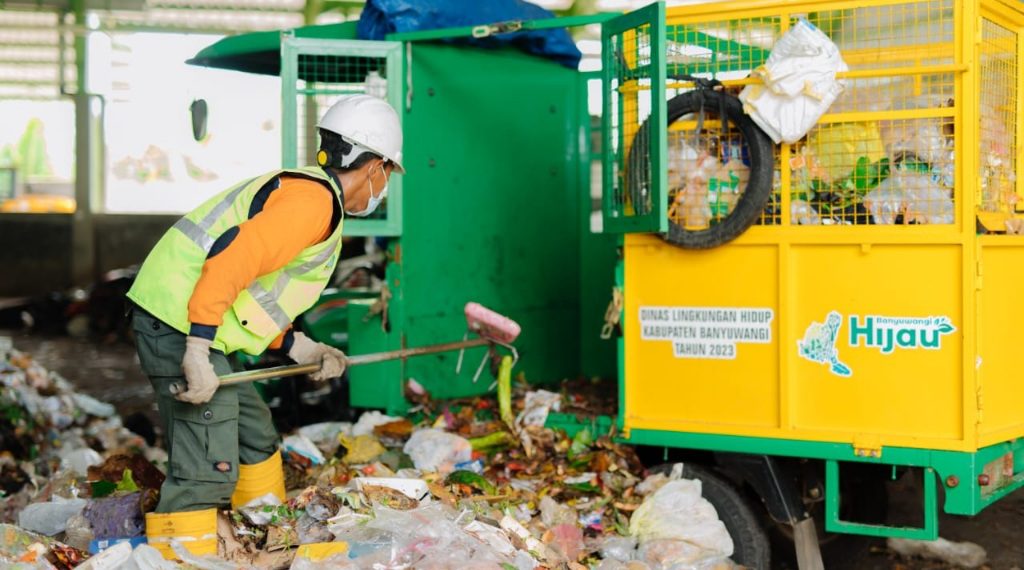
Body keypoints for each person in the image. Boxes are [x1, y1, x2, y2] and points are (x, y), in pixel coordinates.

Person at [125, 95, 403, 559]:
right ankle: (182, 559)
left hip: (190, 321)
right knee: (206, 463)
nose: (386, 185)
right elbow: (231, 259)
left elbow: (255, 292)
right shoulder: (312, 203)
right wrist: (196, 350)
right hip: (178, 323)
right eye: (389, 172)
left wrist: (299, 347)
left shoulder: (315, 200)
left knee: (253, 434)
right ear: (372, 165)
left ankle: (262, 542)